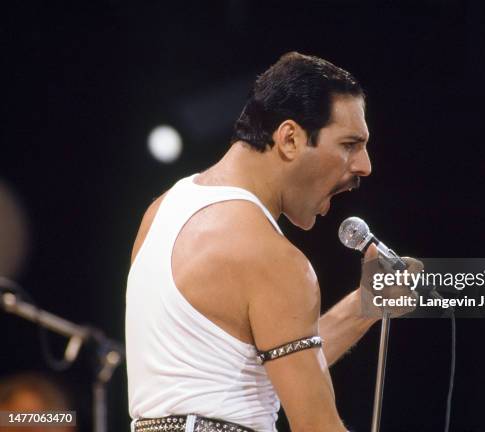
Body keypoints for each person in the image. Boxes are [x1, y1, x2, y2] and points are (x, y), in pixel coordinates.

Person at [126, 52, 383, 432]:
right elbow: (317, 424)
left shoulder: (162, 210)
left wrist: (366, 305)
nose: (365, 166)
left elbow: (272, 368)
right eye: (349, 144)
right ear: (290, 138)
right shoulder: (271, 257)